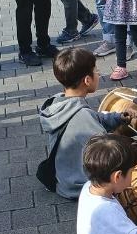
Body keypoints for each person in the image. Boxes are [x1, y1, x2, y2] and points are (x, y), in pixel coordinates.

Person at [39, 47, 131, 199]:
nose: (99, 74)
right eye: (96, 71)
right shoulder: (83, 116)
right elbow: (106, 152)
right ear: (87, 80)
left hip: (63, 178)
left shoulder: (59, 102)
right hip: (79, 187)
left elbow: (95, 117)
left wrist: (118, 118)